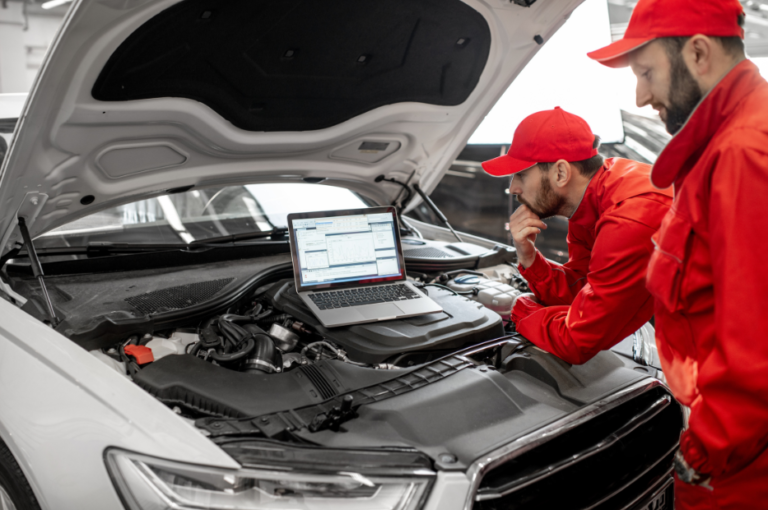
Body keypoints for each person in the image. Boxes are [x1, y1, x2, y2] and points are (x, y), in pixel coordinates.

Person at [587, 0, 768, 508]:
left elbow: (757, 346)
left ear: (698, 52)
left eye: (646, 72)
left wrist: (701, 454)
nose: (641, 96)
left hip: (741, 459)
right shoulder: (725, 143)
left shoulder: (744, 152)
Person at [482, 107, 672, 365]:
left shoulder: (630, 216)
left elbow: (577, 341)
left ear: (560, 173)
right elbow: (583, 290)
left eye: (522, 175)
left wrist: (518, 308)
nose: (513, 188)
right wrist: (529, 258)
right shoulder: (593, 201)